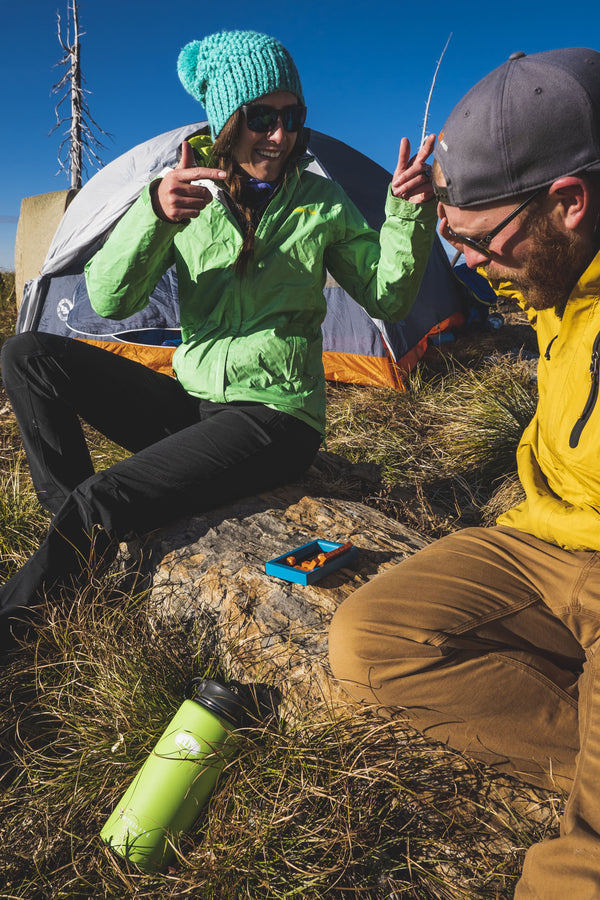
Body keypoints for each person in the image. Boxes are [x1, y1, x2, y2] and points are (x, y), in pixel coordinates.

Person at [0, 29, 437, 649]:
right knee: (26, 356)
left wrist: (407, 215)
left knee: (106, 496)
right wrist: (151, 213)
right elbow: (110, 299)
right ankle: (74, 543)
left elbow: (388, 296)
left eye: (292, 117)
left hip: (276, 420)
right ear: (228, 121)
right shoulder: (187, 193)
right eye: (261, 117)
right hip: (198, 402)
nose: (280, 135)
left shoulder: (321, 201)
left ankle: (21, 628)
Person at [329, 47, 600, 898]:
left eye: (478, 241)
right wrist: (429, 216)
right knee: (370, 643)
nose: (472, 265)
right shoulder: (557, 278)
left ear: (569, 202)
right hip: (542, 538)